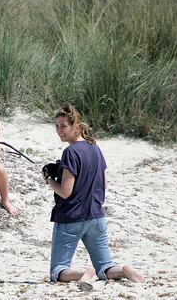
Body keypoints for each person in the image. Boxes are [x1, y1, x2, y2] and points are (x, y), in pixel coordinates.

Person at [45, 102, 145, 286]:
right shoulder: (94, 147)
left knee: (57, 270)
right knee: (106, 267)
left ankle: (85, 272)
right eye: (57, 126)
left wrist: (49, 179)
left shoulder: (70, 152)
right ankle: (124, 270)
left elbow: (65, 192)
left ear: (75, 125)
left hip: (70, 217)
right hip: (96, 216)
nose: (59, 130)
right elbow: (104, 182)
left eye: (64, 126)